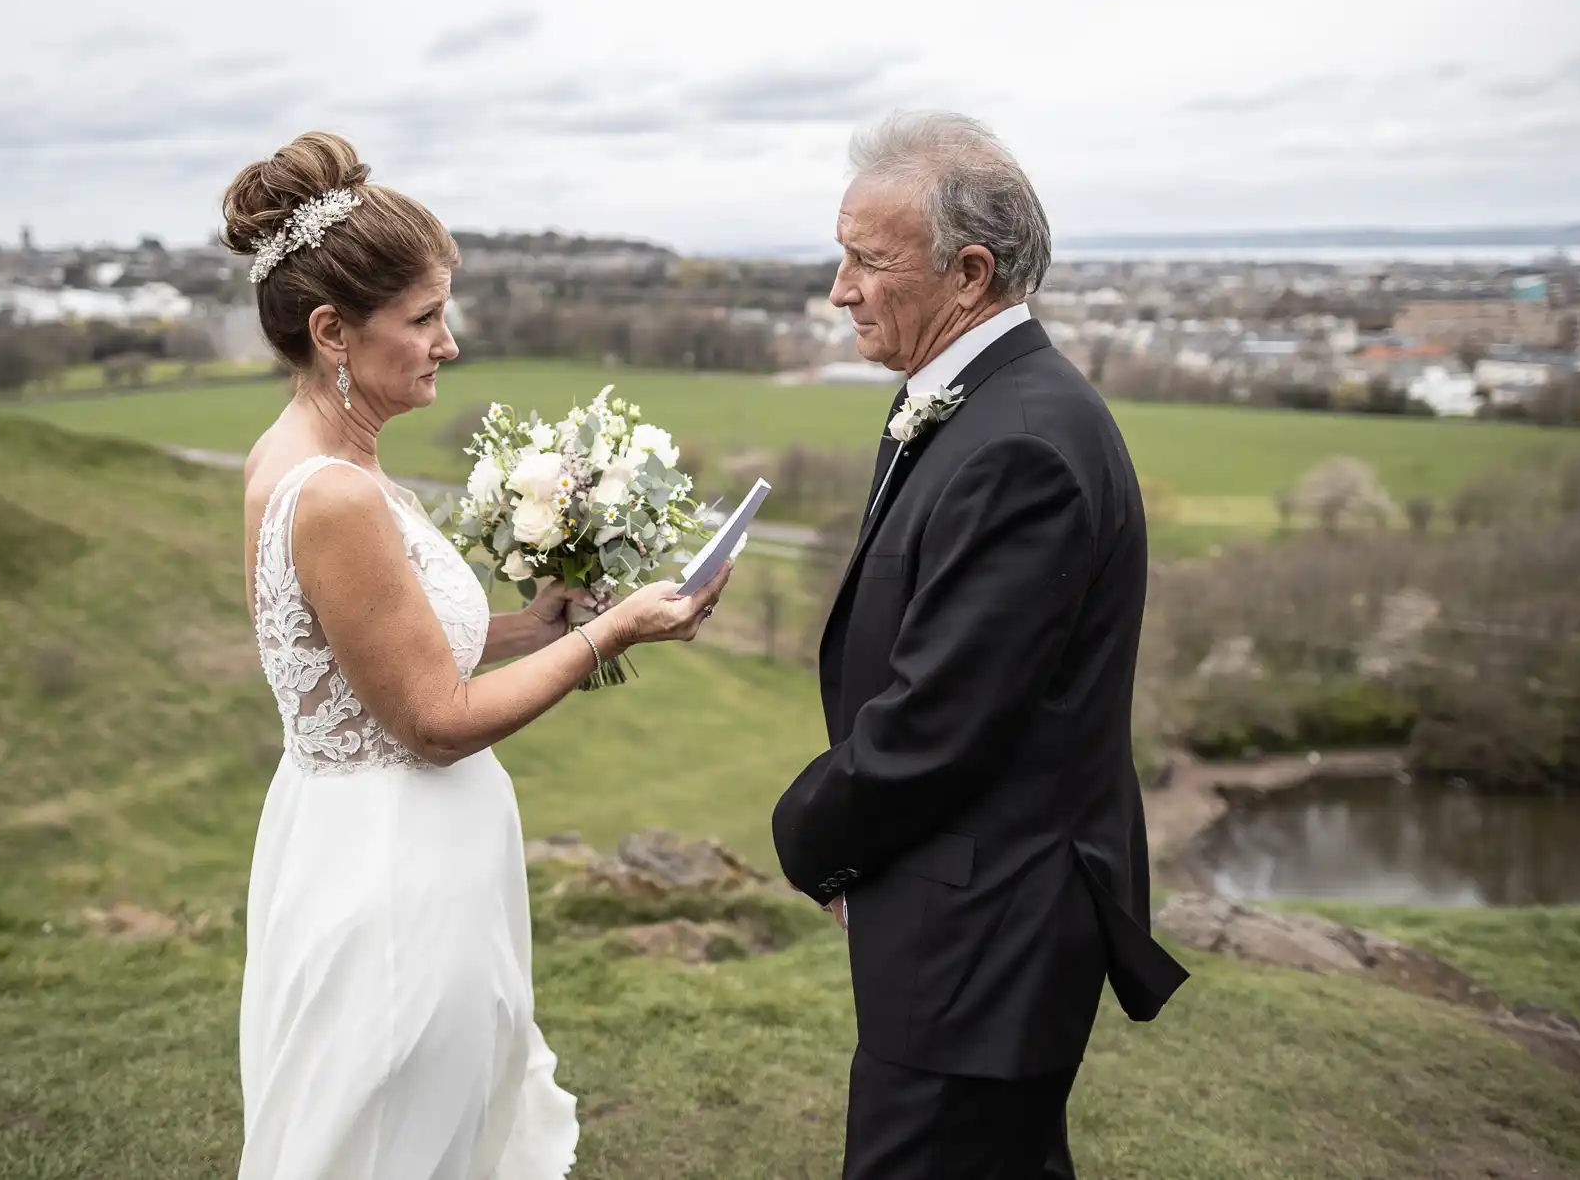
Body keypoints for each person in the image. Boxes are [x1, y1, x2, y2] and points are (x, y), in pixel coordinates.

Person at [228, 131, 730, 1180]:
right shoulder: (334, 495)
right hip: (393, 874)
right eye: (422, 319)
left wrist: (539, 624)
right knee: (394, 1141)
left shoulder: (308, 460)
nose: (446, 343)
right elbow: (431, 720)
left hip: (371, 844)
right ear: (332, 331)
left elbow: (372, 663)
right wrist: (612, 631)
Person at [771, 111, 1189, 1179]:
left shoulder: (1023, 446)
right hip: (970, 917)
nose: (838, 288)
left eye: (866, 259)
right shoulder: (979, 406)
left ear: (967, 271)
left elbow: (940, 721)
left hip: (988, 930)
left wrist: (811, 833)